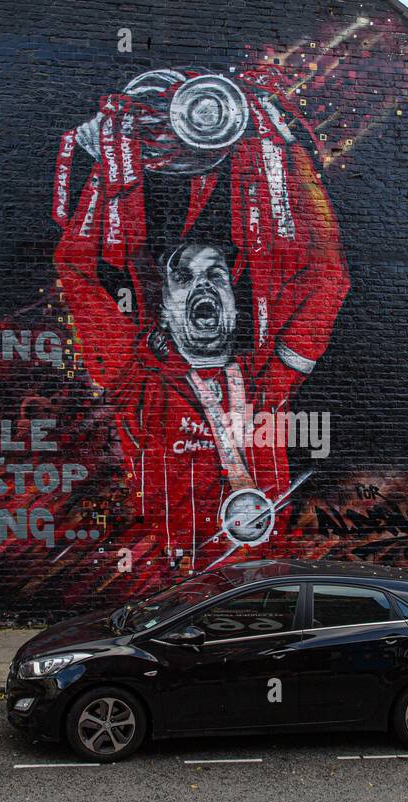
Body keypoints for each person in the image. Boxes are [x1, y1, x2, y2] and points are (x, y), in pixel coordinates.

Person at [53, 67, 349, 572]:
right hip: (168, 576)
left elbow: (329, 274)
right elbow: (76, 267)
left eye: (216, 274)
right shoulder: (136, 381)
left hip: (257, 573)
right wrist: (106, 166)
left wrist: (280, 144)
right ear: (165, 310)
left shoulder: (267, 380)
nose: (203, 285)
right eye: (183, 278)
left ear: (233, 300)